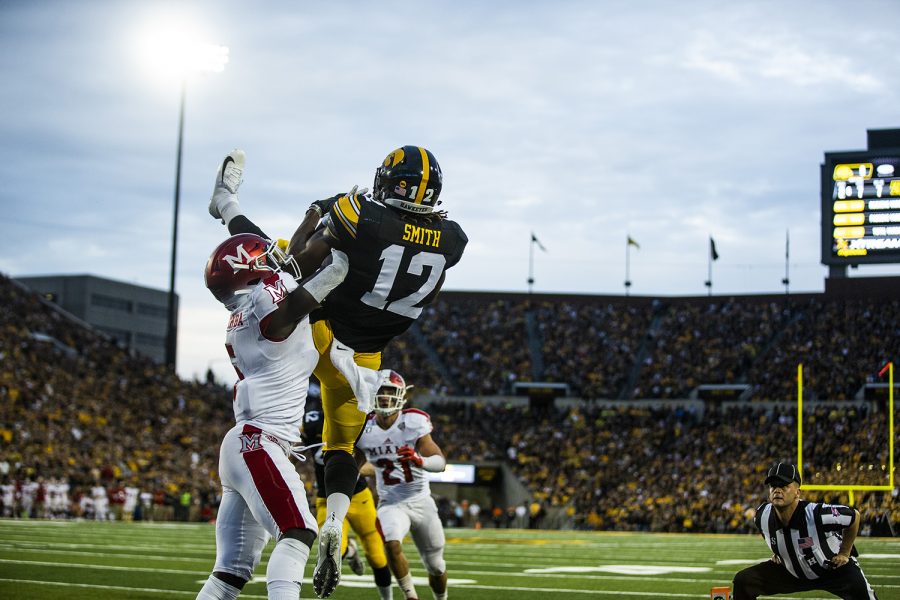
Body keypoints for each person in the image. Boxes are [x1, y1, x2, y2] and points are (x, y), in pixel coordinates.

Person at [209, 145, 467, 597]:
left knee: (277, 256)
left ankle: (227, 203)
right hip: (367, 355)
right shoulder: (454, 239)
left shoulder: (362, 214)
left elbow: (304, 253)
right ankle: (334, 518)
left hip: (325, 330)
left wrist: (321, 218)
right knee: (341, 447)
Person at [197, 152, 374, 600]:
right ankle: (225, 203)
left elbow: (285, 260)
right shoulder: (263, 306)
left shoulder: (245, 300)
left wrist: (313, 218)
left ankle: (225, 202)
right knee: (297, 532)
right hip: (260, 443)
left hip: (248, 442)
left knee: (231, 573)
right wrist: (336, 269)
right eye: (261, 259)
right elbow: (288, 309)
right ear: (251, 271)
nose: (270, 258)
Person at [357, 370, 449, 600]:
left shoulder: (413, 421)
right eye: (381, 391)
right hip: (391, 502)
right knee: (391, 543)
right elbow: (356, 466)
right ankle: (410, 596)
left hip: (420, 500)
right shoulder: (362, 428)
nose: (385, 396)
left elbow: (440, 462)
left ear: (401, 395)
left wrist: (420, 460)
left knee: (436, 566)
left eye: (390, 391)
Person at [731, 462, 879, 600]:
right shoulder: (762, 516)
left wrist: (844, 552)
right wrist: (779, 552)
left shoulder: (816, 514)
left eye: (783, 485)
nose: (777, 489)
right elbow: (770, 535)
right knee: (743, 581)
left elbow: (854, 516)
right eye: (773, 485)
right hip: (792, 572)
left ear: (798, 492)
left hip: (832, 570)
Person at [301, 396, 395, 600]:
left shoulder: (361, 422)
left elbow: (376, 465)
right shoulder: (311, 422)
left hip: (359, 496)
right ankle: (350, 552)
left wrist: (353, 469)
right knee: (332, 550)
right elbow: (292, 450)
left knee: (377, 555)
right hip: (326, 497)